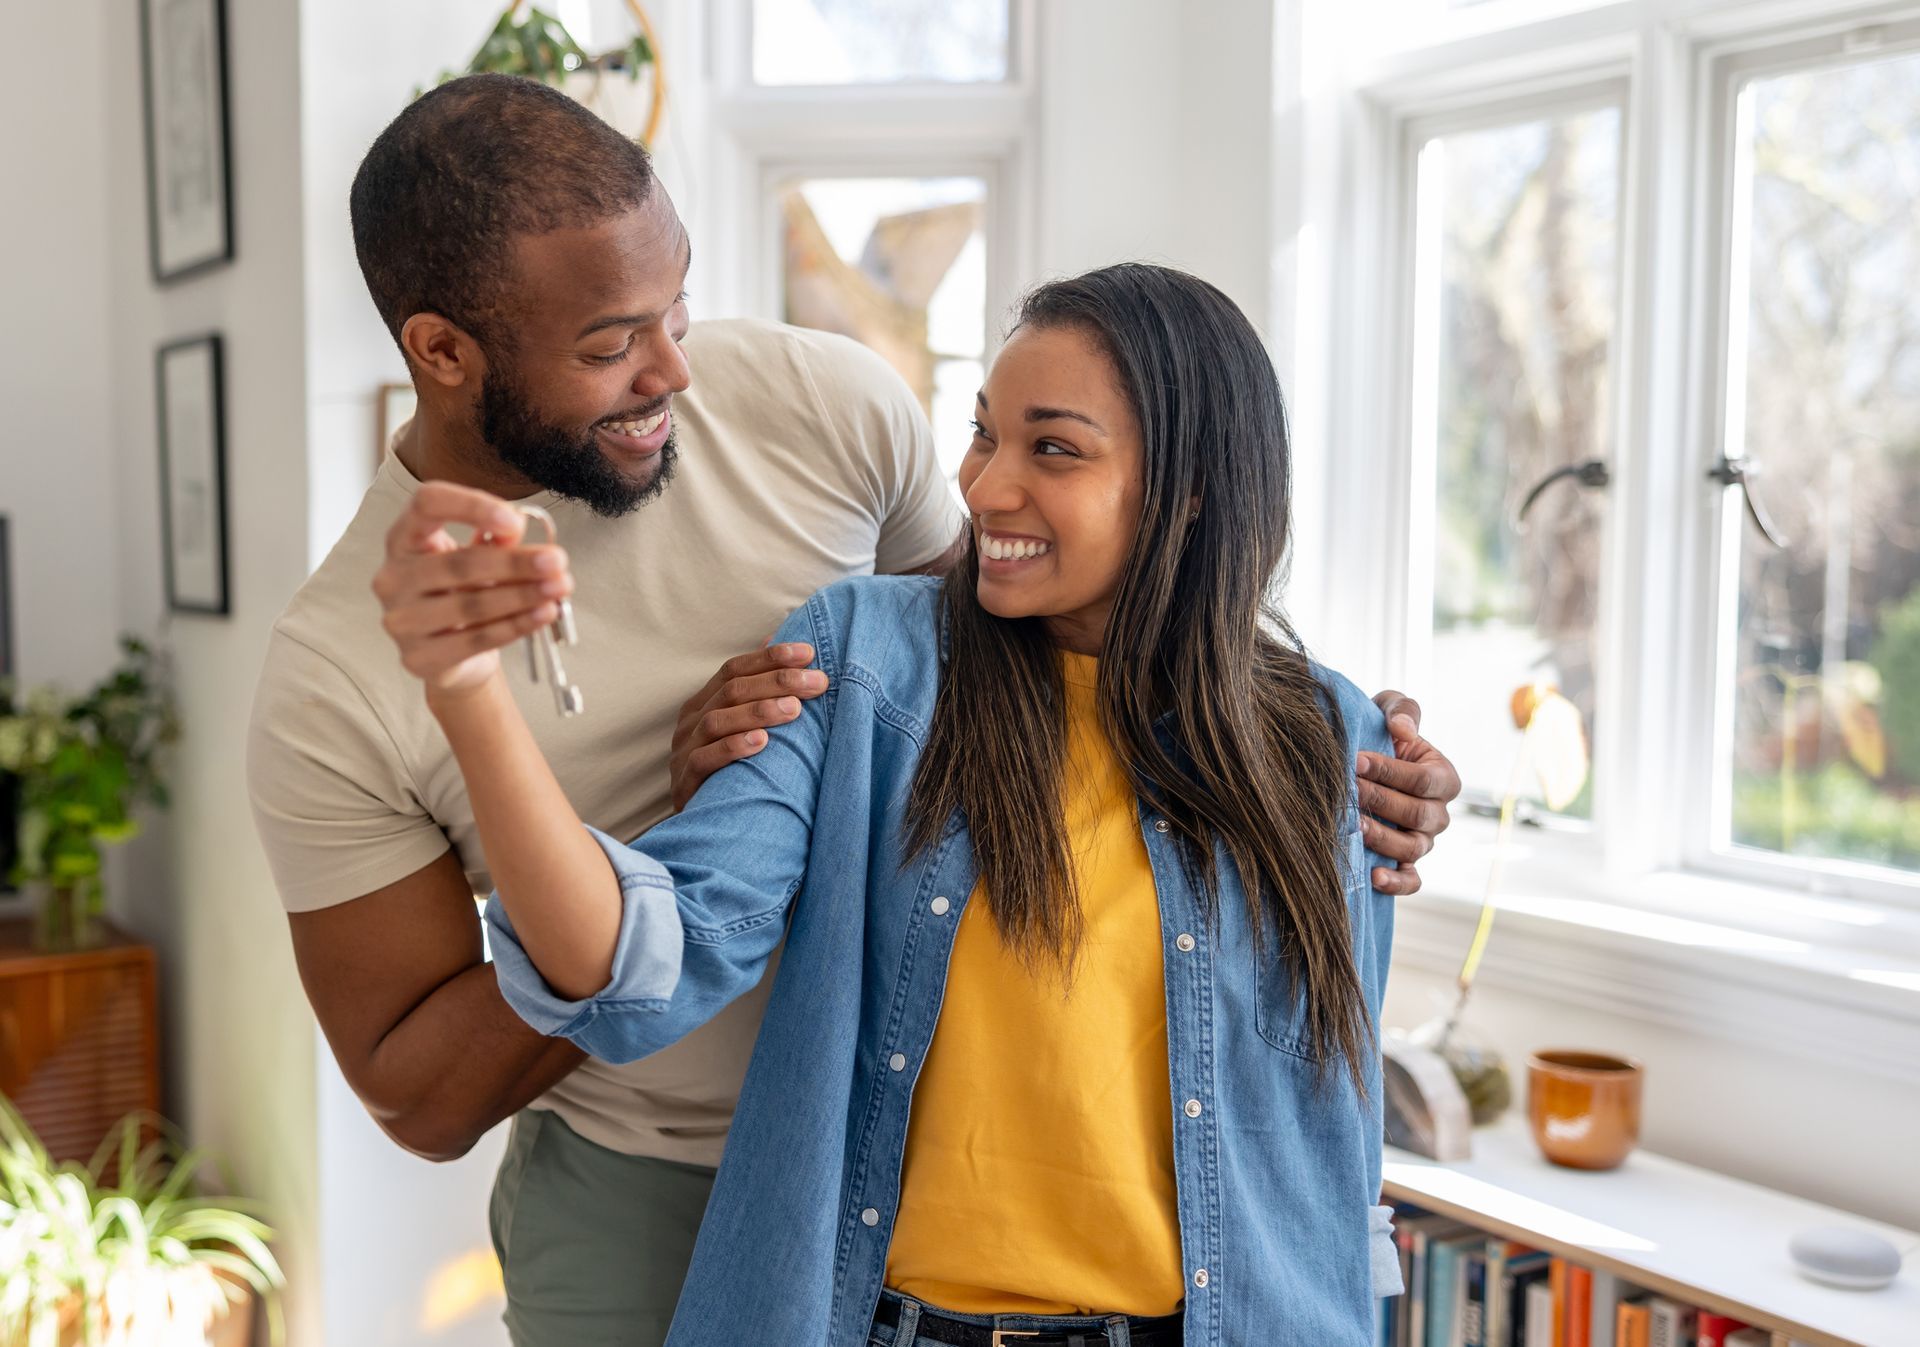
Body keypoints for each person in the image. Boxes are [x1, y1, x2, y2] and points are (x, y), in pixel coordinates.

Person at [250, 74, 1459, 1347]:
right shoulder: (343, 670)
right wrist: (530, 722)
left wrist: (1314, 737)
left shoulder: (823, 412)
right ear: (443, 351)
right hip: (674, 1179)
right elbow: (473, 1065)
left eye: (681, 307)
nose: (676, 369)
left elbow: (1311, 1109)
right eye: (614, 343)